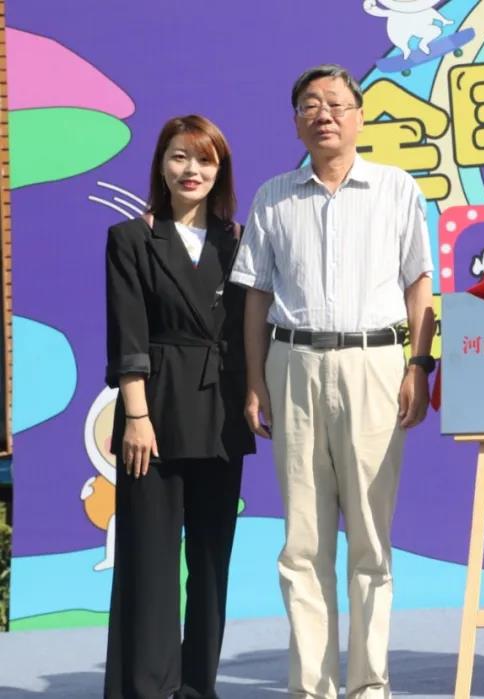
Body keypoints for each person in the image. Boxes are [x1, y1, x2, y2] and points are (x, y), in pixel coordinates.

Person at [229, 64, 435, 699]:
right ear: (296, 121)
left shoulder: (396, 188)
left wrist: (419, 365)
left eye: (337, 104)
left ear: (360, 117)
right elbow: (256, 297)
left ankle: (369, 684)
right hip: (293, 364)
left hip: (376, 364)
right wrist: (256, 380)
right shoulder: (273, 197)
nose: (324, 115)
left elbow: (419, 284)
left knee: (370, 537)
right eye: (310, 105)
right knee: (302, 541)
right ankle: (311, 687)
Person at [104, 114, 254, 698]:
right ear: (161, 167)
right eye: (180, 157)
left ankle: (197, 687)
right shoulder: (131, 238)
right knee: (150, 559)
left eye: (205, 160)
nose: (192, 170)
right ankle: (148, 686)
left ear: (221, 171)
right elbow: (129, 337)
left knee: (212, 560)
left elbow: (253, 327)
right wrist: (137, 418)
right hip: (155, 414)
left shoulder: (239, 240)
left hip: (221, 414)